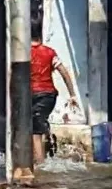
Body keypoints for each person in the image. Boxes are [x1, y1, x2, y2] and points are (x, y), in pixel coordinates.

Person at [30, 12, 78, 164]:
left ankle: (41, 167)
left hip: (34, 95)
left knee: (35, 133)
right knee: (40, 125)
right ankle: (43, 158)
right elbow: (64, 72)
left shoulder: (23, 53)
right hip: (50, 96)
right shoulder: (49, 53)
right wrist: (72, 95)